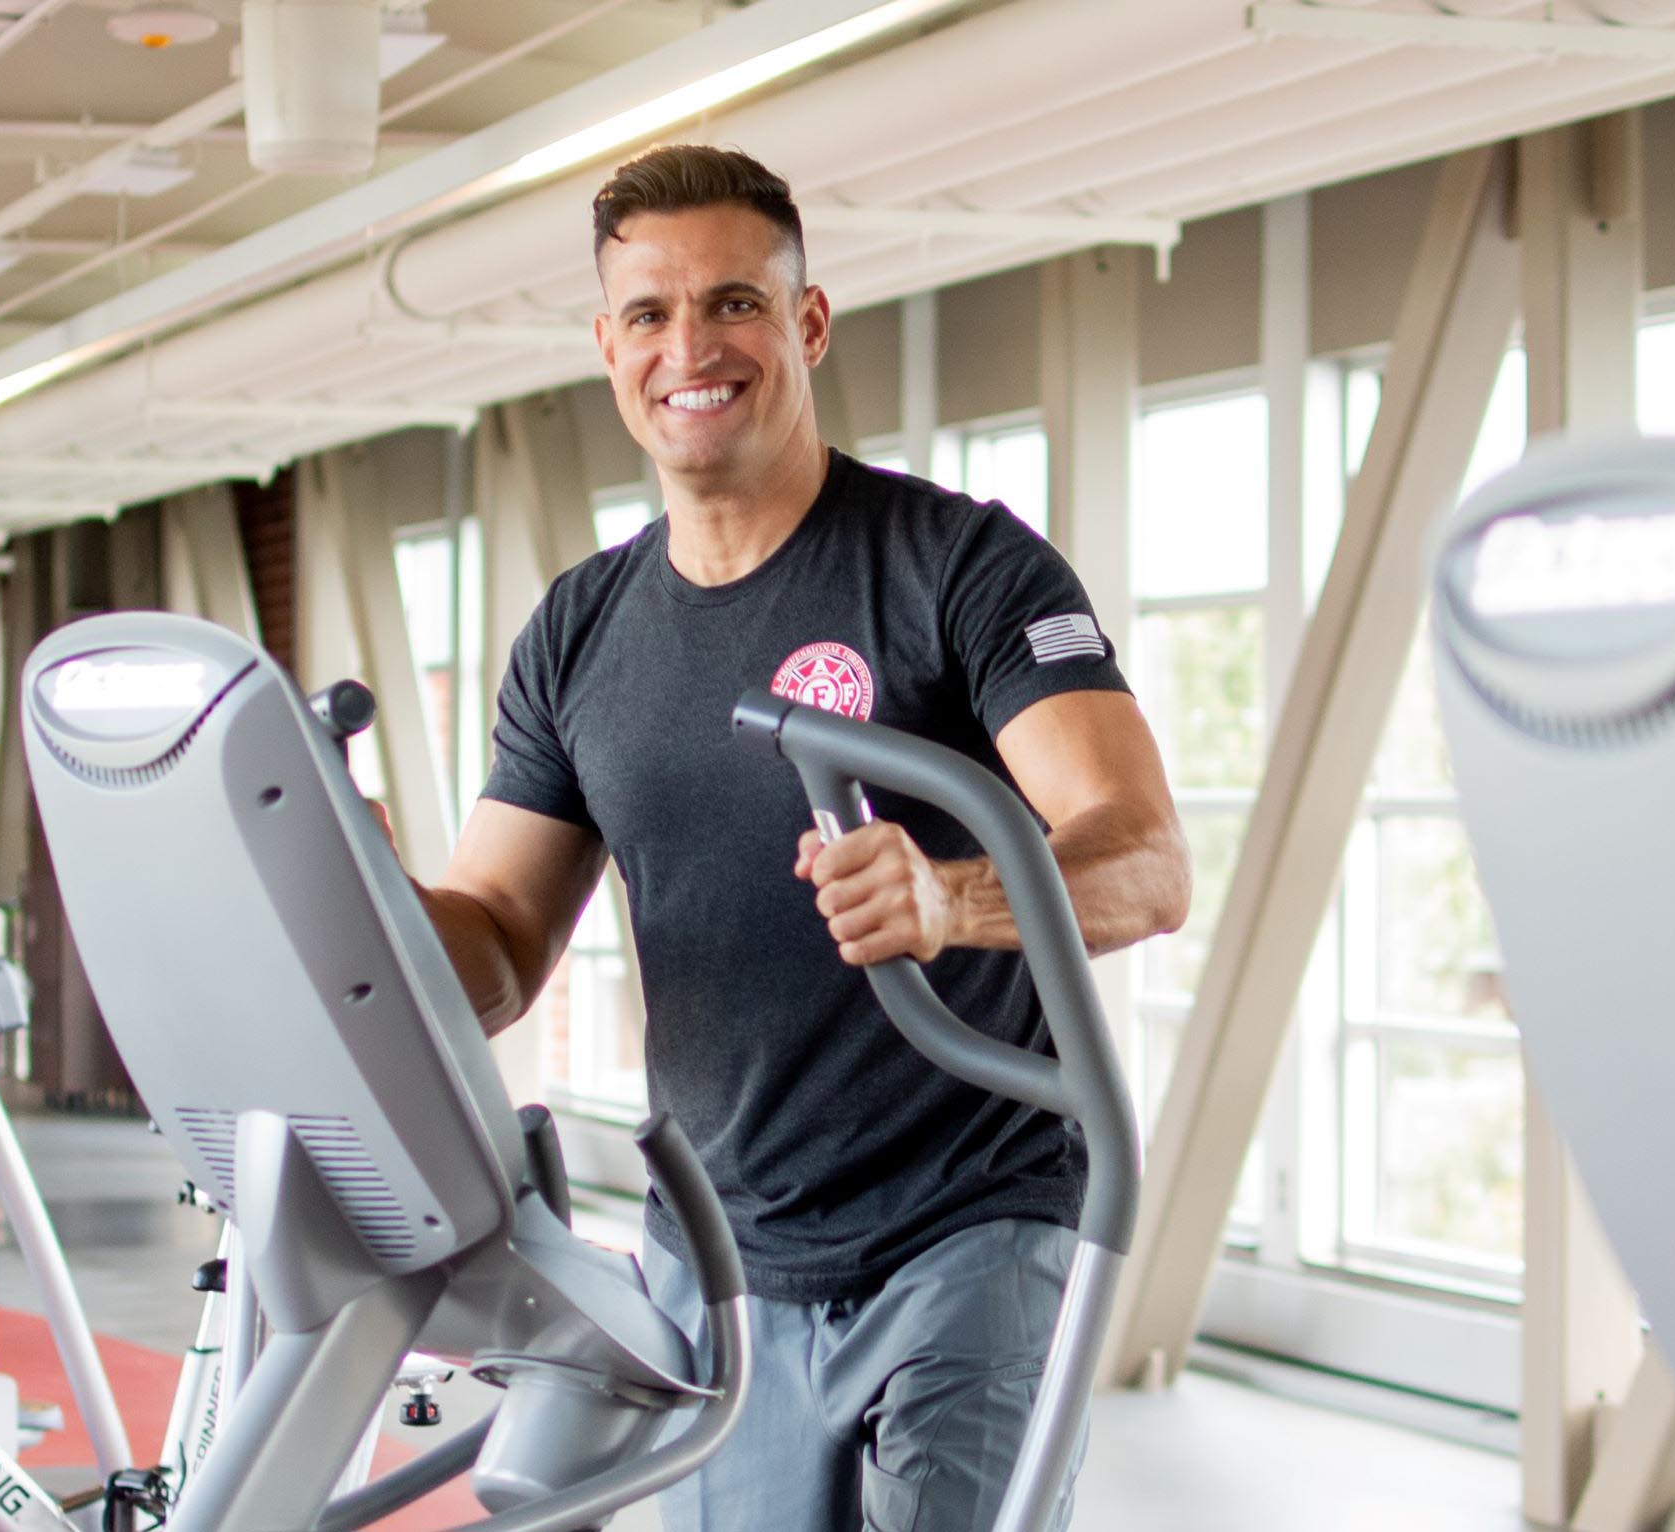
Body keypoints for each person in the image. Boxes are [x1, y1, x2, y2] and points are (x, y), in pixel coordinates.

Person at [413, 144, 1190, 1532]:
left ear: (807, 323)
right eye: (649, 316)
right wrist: (360, 923)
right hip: (723, 1263)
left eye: (733, 305)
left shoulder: (958, 566)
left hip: (969, 1224)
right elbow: (497, 941)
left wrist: (956, 898)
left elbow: (1142, 858)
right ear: (607, 347)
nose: (689, 350)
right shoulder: (579, 633)